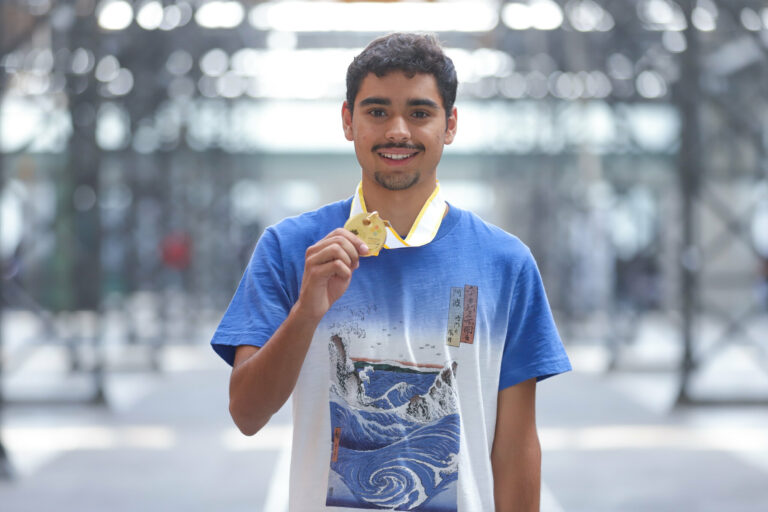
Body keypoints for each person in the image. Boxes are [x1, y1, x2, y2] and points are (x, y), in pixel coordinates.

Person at [211, 33, 571, 512]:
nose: (397, 130)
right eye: (377, 111)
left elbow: (515, 446)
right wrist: (306, 311)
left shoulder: (506, 262)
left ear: (450, 125)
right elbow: (247, 414)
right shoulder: (290, 248)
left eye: (420, 113)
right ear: (347, 121)